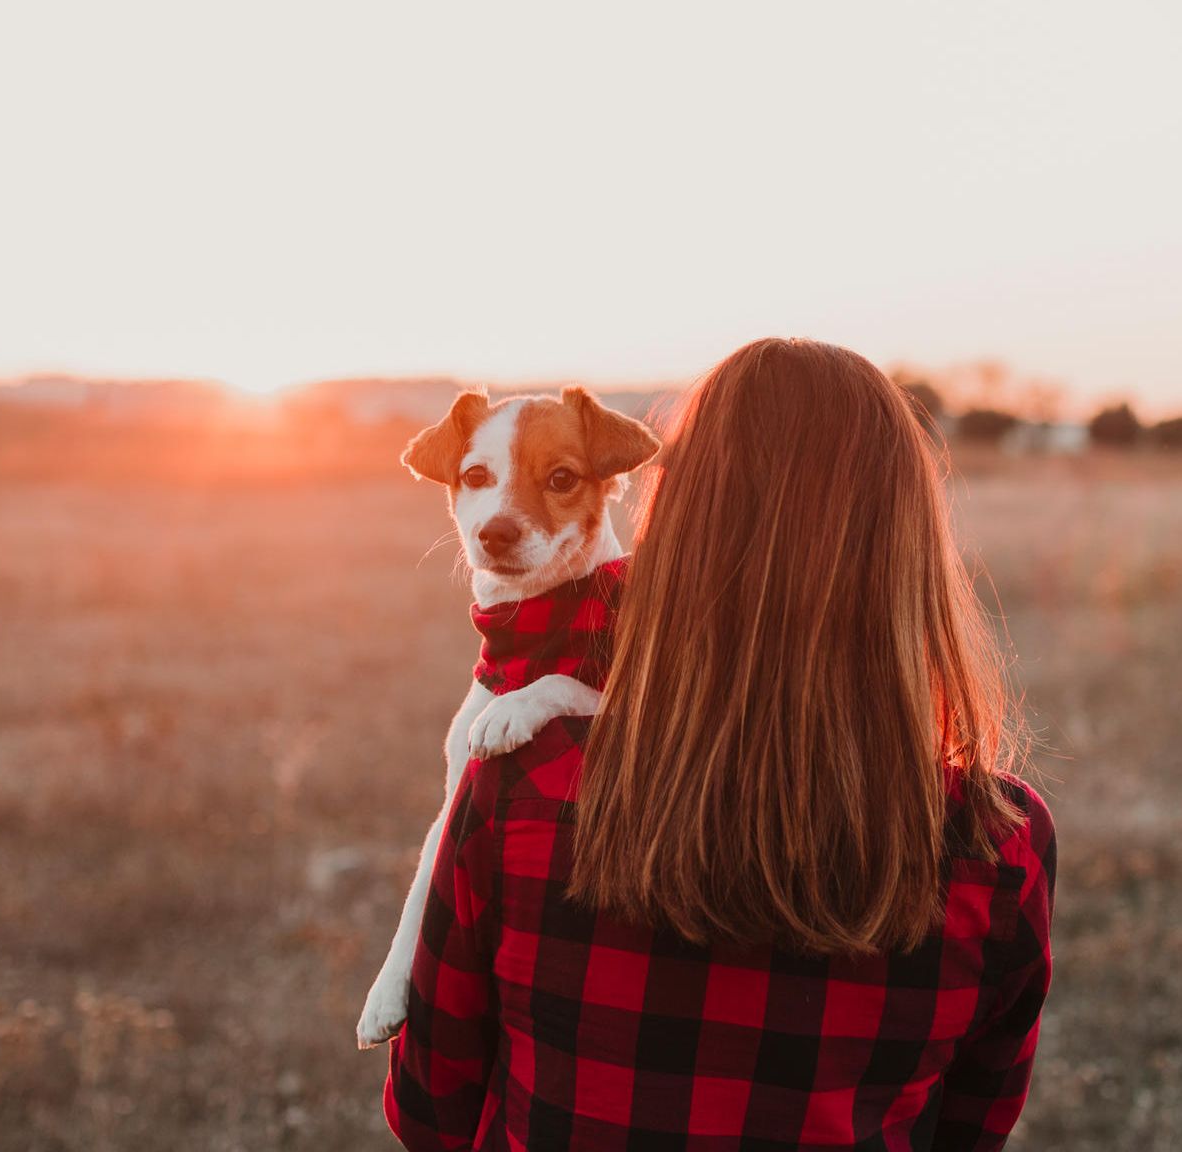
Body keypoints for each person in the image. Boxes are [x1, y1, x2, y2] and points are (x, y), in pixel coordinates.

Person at [387, 338, 1056, 1150]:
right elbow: (970, 1128)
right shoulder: (999, 845)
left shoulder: (525, 783)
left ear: (673, 518)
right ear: (908, 548)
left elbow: (430, 1112)